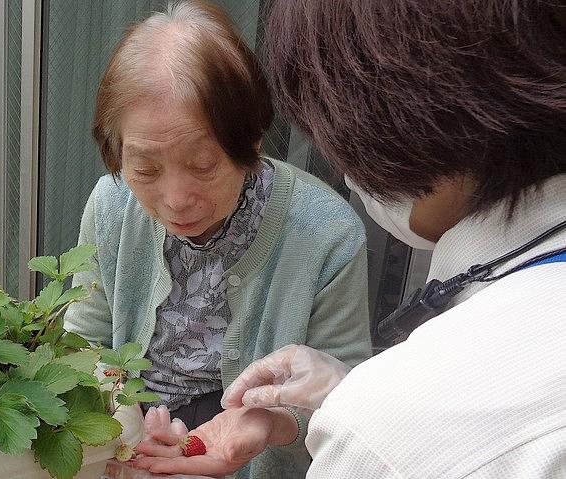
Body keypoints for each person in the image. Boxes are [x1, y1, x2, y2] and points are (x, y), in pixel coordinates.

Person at [133, 0, 566, 477]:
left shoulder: (382, 441)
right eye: (144, 168)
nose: (175, 200)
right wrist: (342, 389)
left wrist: (353, 408)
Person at [63, 1, 372, 477]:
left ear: (251, 142)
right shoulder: (112, 205)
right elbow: (85, 341)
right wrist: (118, 434)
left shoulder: (327, 235)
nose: (175, 200)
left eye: (203, 165)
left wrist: (273, 424)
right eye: (145, 169)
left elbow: (346, 405)